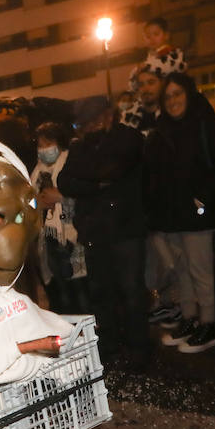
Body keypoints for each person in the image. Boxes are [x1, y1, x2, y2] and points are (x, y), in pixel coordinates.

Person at [144, 72, 215, 353]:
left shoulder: (207, 124)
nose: (173, 101)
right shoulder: (162, 130)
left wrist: (203, 197)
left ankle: (210, 324)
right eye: (168, 96)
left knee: (201, 272)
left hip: (199, 214)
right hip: (172, 217)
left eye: (178, 94)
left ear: (189, 94)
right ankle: (191, 317)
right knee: (182, 272)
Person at [57, 95, 148, 358]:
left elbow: (113, 170)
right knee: (101, 291)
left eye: (97, 119)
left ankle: (138, 346)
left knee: (131, 290)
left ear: (110, 115)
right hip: (95, 230)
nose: (93, 126)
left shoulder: (128, 138)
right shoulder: (81, 146)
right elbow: (65, 181)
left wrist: (88, 179)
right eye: (88, 123)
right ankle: (109, 343)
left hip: (126, 228)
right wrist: (95, 185)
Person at [31, 121, 89, 314]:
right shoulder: (37, 172)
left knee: (80, 289)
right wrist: (38, 203)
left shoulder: (72, 165)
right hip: (49, 239)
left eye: (48, 143)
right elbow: (29, 201)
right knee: (60, 289)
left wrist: (62, 197)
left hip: (73, 236)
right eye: (40, 145)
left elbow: (85, 195)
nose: (44, 149)